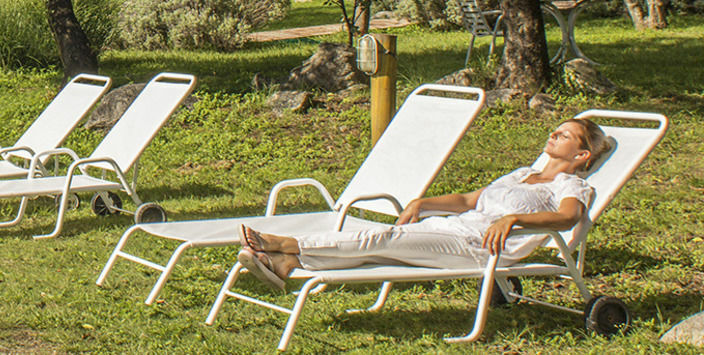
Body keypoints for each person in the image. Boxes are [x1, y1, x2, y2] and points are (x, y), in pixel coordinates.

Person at [236, 118, 615, 290]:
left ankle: (286, 245)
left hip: (479, 249)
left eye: (565, 134)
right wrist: (424, 201)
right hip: (450, 230)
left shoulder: (571, 185)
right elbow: (469, 200)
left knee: (382, 241)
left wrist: (516, 218)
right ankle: (291, 264)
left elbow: (568, 218)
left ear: (582, 155)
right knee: (384, 244)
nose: (554, 133)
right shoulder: (521, 174)